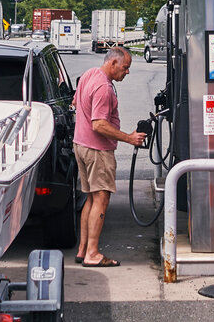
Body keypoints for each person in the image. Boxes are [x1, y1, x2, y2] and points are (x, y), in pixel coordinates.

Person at [73, 46, 146, 267]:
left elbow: (76, 103)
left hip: (81, 145)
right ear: (112, 63)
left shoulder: (88, 74)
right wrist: (129, 138)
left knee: (91, 198)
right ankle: (93, 254)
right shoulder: (104, 88)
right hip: (97, 151)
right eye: (125, 68)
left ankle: (83, 249)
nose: (127, 72)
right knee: (102, 200)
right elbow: (99, 124)